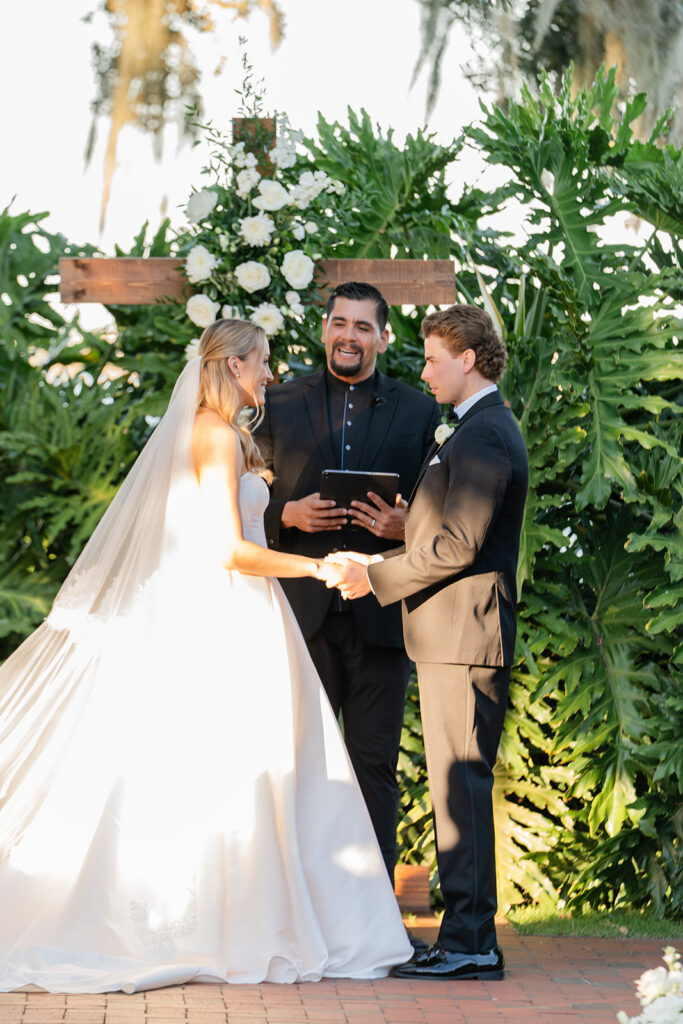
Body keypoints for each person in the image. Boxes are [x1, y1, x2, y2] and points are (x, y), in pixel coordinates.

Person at [0, 319, 412, 994]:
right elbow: (228, 550)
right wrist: (318, 570)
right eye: (262, 363)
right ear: (234, 364)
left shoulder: (214, 432)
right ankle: (234, 924)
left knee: (248, 767)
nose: (269, 374)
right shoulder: (216, 435)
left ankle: (233, 917)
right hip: (227, 610)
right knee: (246, 765)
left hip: (239, 610)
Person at [330, 305, 529, 981]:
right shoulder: (473, 430)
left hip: (463, 635)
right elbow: (442, 531)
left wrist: (373, 575)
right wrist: (400, 528)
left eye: (433, 359)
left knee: (459, 787)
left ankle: (471, 941)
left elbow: (458, 545)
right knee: (453, 786)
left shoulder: (485, 435)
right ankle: (464, 936)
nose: (423, 371)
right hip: (451, 634)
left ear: (467, 359)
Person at [253, 282, 441, 882]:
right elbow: (236, 502)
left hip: (381, 617)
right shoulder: (278, 402)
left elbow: (435, 513)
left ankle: (373, 914)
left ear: (384, 337)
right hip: (297, 615)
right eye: (340, 323)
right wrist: (287, 513)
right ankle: (296, 902)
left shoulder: (418, 410)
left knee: (373, 768)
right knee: (295, 766)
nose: (349, 337)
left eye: (363, 327)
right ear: (324, 329)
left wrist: (405, 522)